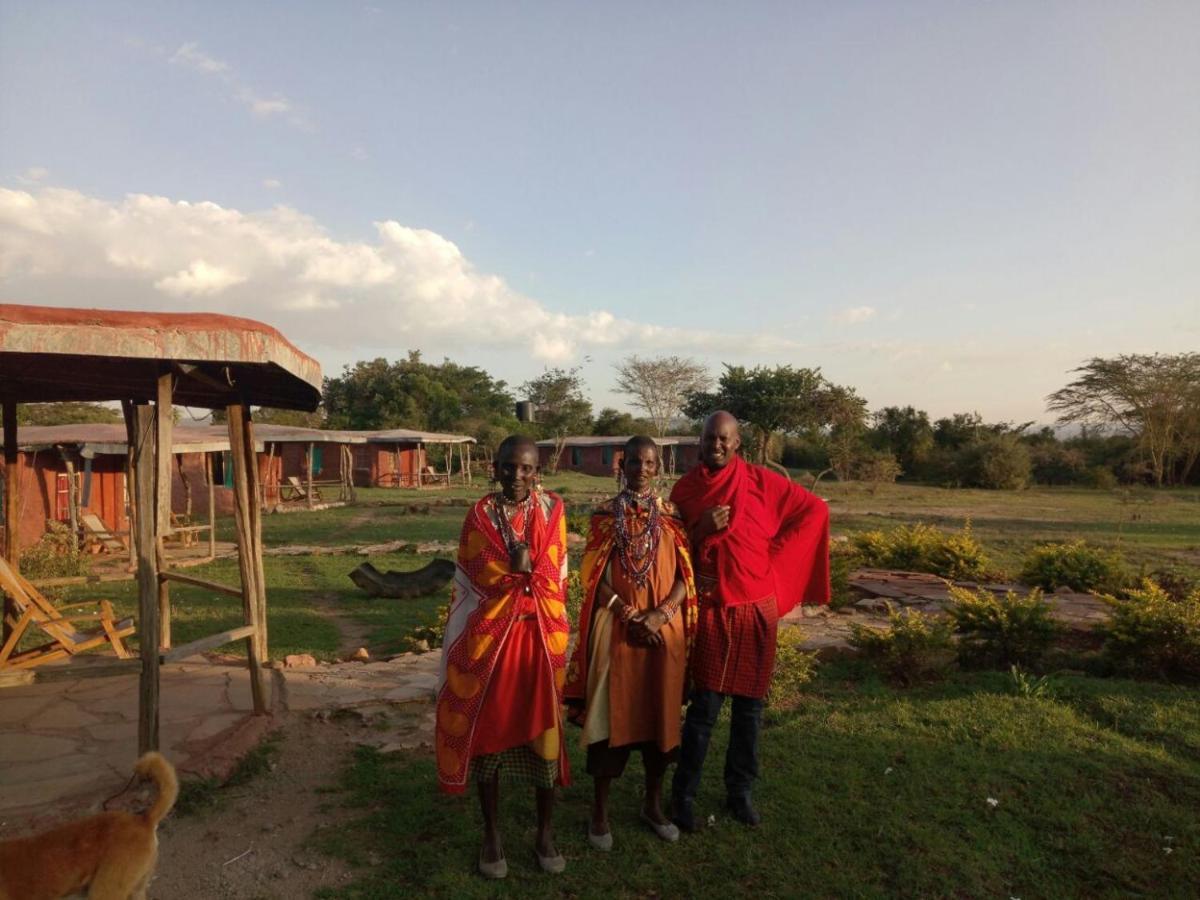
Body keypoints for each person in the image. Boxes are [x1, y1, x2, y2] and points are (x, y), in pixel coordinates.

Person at [669, 411, 830, 831]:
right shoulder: (685, 491)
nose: (716, 446)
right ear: (700, 442)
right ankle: (683, 795)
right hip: (712, 609)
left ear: (738, 443)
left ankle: (739, 792)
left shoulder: (761, 482)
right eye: (709, 439)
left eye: (724, 439)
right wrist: (700, 528)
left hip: (757, 609)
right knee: (704, 708)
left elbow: (812, 510)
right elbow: (672, 551)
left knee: (750, 710)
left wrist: (777, 572)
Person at [434, 435, 571, 878]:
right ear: (494, 467)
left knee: (546, 738)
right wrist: (511, 573)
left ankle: (545, 832)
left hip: (539, 640)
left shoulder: (553, 510)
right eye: (509, 468)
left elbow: (557, 571)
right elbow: (472, 576)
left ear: (538, 470)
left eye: (526, 468)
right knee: (488, 739)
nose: (517, 476)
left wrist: (531, 572)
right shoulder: (479, 515)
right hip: (492, 641)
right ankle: (491, 834)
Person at [564, 436, 698, 849]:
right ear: (622, 465)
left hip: (664, 630)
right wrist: (626, 613)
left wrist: (658, 615)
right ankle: (599, 812)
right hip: (617, 629)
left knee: (661, 719)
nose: (641, 467)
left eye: (649, 461)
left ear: (658, 467)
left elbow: (684, 576)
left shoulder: (672, 515)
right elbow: (594, 576)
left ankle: (652, 805)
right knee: (609, 718)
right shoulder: (606, 515)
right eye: (635, 461)